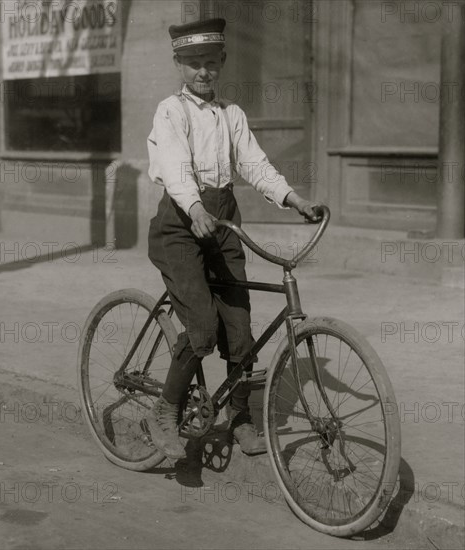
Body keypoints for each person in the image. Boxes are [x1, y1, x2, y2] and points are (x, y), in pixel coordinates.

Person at [146, 18, 319, 460]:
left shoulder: (231, 114)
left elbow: (256, 165)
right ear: (179, 65)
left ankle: (240, 418)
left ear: (221, 62)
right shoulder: (171, 111)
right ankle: (165, 409)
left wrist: (293, 198)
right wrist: (195, 207)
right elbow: (175, 165)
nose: (202, 72)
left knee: (240, 329)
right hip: (180, 226)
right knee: (202, 327)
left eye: (209, 63)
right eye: (192, 64)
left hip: (222, 222)